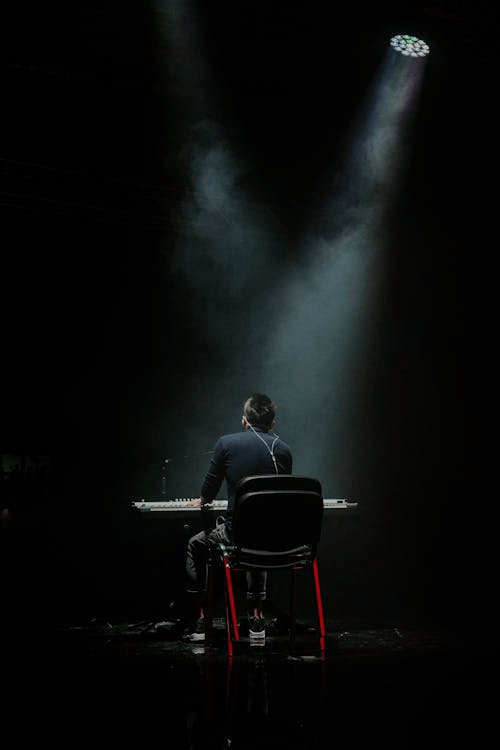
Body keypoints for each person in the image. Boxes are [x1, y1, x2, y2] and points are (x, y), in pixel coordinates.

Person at [181, 393, 293, 643]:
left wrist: (204, 499)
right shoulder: (284, 450)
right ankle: (257, 617)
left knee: (195, 544)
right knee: (259, 540)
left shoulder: (226, 443)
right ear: (272, 424)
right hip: (274, 537)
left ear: (244, 421)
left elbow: (209, 488)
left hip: (236, 534)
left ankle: (201, 619)